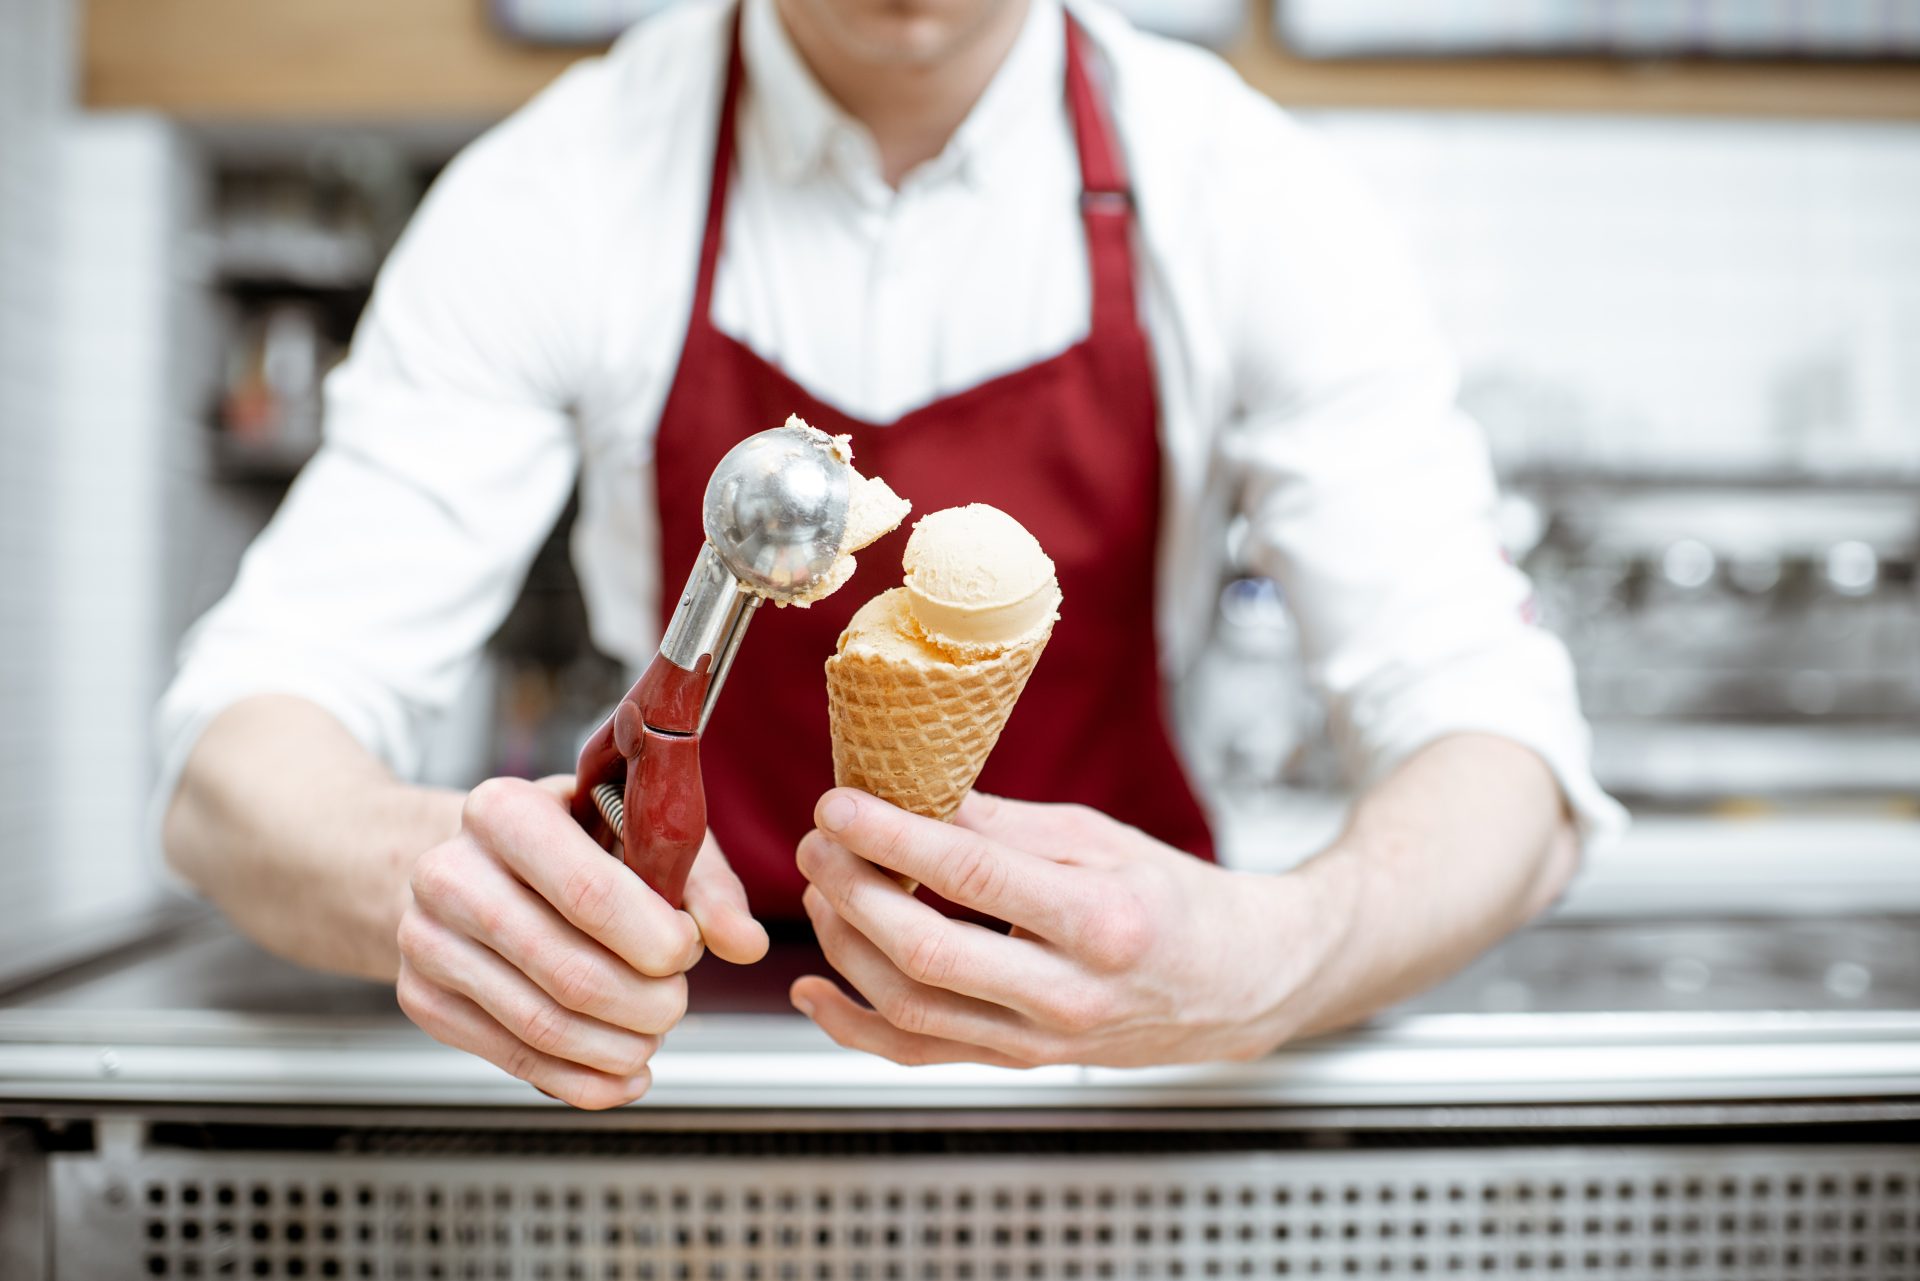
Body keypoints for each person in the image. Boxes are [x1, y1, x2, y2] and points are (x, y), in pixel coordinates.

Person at [158, 0, 1625, 1109]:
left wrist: (1280, 953)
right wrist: (440, 875)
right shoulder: (562, 184)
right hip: (679, 1076)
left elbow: (1495, 736)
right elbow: (240, 761)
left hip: (1131, 1081)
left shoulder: (1245, 190)